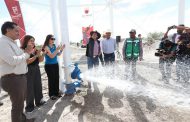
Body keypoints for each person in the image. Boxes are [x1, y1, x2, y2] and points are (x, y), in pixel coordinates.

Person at [0, 21, 34, 122]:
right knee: (17, 106)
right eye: (16, 31)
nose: (19, 33)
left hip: (18, 78)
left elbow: (20, 57)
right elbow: (12, 60)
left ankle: (23, 120)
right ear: (7, 30)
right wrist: (27, 53)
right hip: (12, 79)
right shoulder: (2, 42)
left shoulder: (12, 43)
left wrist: (26, 51)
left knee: (20, 104)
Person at [21, 35, 46, 113]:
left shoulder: (35, 49)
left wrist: (42, 54)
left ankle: (39, 102)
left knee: (38, 85)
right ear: (26, 41)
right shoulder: (23, 50)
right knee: (29, 88)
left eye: (33, 40)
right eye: (31, 40)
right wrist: (36, 55)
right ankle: (29, 106)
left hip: (36, 68)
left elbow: (41, 60)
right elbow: (27, 61)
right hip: (27, 70)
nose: (33, 42)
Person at [42, 34, 65, 100]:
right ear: (48, 39)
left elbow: (58, 54)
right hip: (49, 65)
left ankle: (56, 93)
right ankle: (51, 94)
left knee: (56, 78)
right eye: (52, 39)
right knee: (51, 79)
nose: (53, 40)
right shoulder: (46, 47)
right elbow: (51, 56)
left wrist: (61, 49)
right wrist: (57, 49)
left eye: (54, 39)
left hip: (55, 64)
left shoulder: (54, 46)